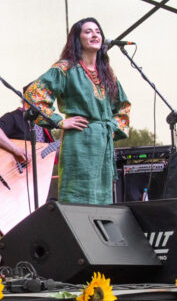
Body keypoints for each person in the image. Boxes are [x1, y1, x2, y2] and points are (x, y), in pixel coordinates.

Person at [24, 17, 130, 204]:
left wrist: (112, 128)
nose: (95, 35)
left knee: (103, 199)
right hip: (79, 140)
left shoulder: (106, 74)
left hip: (103, 142)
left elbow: (123, 107)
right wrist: (59, 121)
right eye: (88, 31)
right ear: (77, 39)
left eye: (98, 31)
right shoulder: (65, 68)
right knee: (78, 195)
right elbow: (34, 95)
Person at [0, 99, 56, 165]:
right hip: (13, 167)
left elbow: (51, 154)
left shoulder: (43, 124)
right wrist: (16, 149)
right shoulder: (14, 117)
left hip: (39, 170)